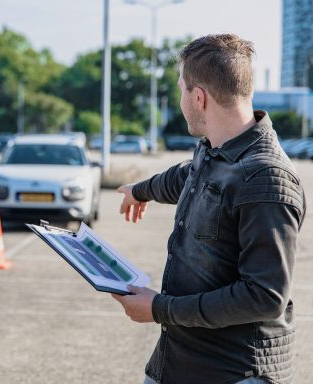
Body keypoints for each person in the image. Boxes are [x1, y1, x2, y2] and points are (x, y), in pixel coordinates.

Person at [113, 34, 306, 384]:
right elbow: (187, 176)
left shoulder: (267, 179)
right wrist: (141, 190)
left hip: (233, 372)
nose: (180, 98)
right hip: (180, 363)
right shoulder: (216, 150)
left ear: (198, 97)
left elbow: (264, 296)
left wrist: (159, 309)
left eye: (181, 89)